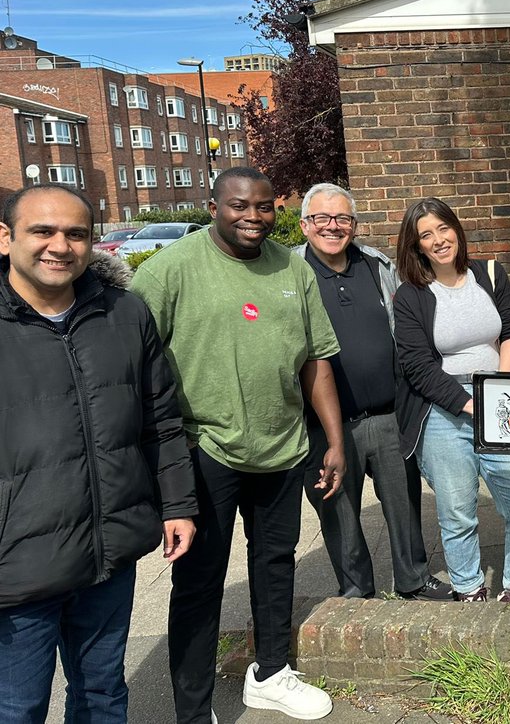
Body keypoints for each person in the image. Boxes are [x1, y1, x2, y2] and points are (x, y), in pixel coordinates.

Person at [131, 167, 345, 724]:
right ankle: (193, 711)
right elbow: (133, 360)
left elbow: (316, 358)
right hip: (204, 447)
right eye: (239, 206)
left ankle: (271, 673)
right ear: (213, 206)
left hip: (282, 444)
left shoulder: (291, 269)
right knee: (200, 580)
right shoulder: (169, 271)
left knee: (276, 563)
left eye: (265, 206)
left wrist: (334, 441)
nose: (253, 217)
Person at [0, 185, 196, 723]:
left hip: (108, 552)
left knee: (103, 695)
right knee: (17, 709)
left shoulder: (125, 314)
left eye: (76, 233)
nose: (60, 246)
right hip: (16, 566)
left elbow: (160, 417)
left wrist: (177, 505)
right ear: (6, 237)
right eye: (43, 231)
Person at [295, 184, 451, 602]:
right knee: (338, 511)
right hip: (322, 426)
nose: (333, 226)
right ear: (305, 224)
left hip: (386, 414)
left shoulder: (377, 266)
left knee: (403, 503)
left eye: (342, 218)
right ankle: (355, 590)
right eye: (322, 219)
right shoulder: (289, 274)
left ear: (355, 224)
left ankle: (413, 578)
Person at [393, 198, 510, 603]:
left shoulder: (489, 273)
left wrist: (499, 390)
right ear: (416, 246)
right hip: (443, 409)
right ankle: (469, 588)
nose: (438, 240)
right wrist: (471, 405)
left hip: (499, 397)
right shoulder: (411, 295)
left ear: (456, 228)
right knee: (456, 511)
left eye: (442, 228)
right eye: (426, 235)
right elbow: (417, 365)